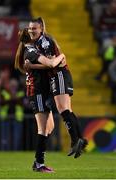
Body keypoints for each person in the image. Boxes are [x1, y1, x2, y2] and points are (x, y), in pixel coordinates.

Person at [26, 17, 88, 158]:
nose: (31, 31)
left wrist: (31, 65)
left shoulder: (45, 42)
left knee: (63, 109)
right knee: (67, 110)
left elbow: (52, 64)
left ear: (41, 29)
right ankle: (79, 140)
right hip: (56, 75)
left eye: (34, 28)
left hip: (59, 74)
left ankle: (76, 140)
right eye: (30, 28)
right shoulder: (36, 44)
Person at [14, 28, 66, 172]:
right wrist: (59, 58)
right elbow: (49, 65)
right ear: (30, 38)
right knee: (43, 128)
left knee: (50, 127)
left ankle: (39, 157)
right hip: (36, 92)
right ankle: (39, 163)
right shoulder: (31, 51)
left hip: (41, 92)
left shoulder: (31, 50)